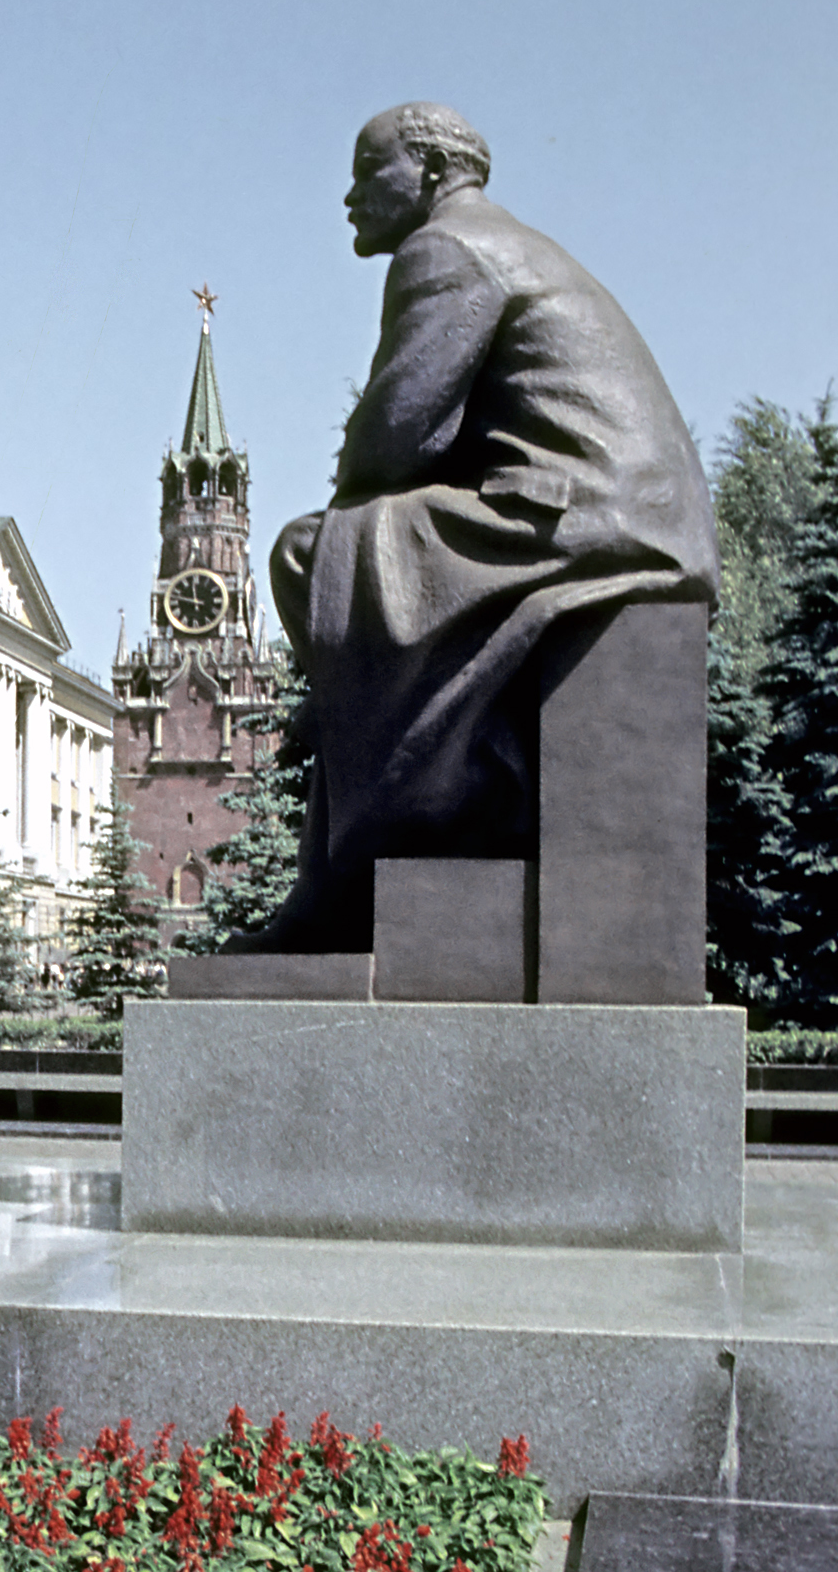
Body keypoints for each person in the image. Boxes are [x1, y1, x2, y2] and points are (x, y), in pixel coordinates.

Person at [247, 103, 720, 953]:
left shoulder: (448, 246)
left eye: (367, 170)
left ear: (429, 172)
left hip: (579, 521)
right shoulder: (510, 243)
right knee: (352, 570)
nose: (350, 195)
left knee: (308, 553)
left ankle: (395, 831)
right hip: (624, 514)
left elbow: (395, 440)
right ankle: (404, 809)